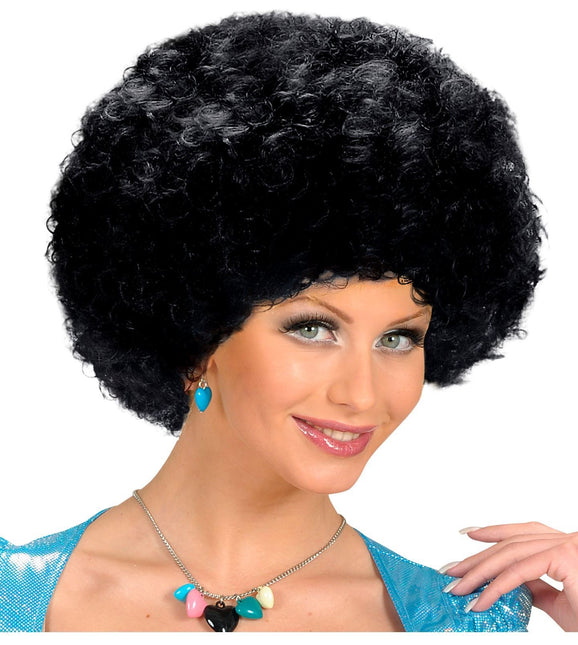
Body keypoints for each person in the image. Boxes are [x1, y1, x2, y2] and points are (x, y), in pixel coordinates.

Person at [0, 10, 576, 632]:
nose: (361, 395)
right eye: (313, 328)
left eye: (397, 338)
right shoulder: (14, 599)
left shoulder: (467, 624)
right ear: (196, 334)